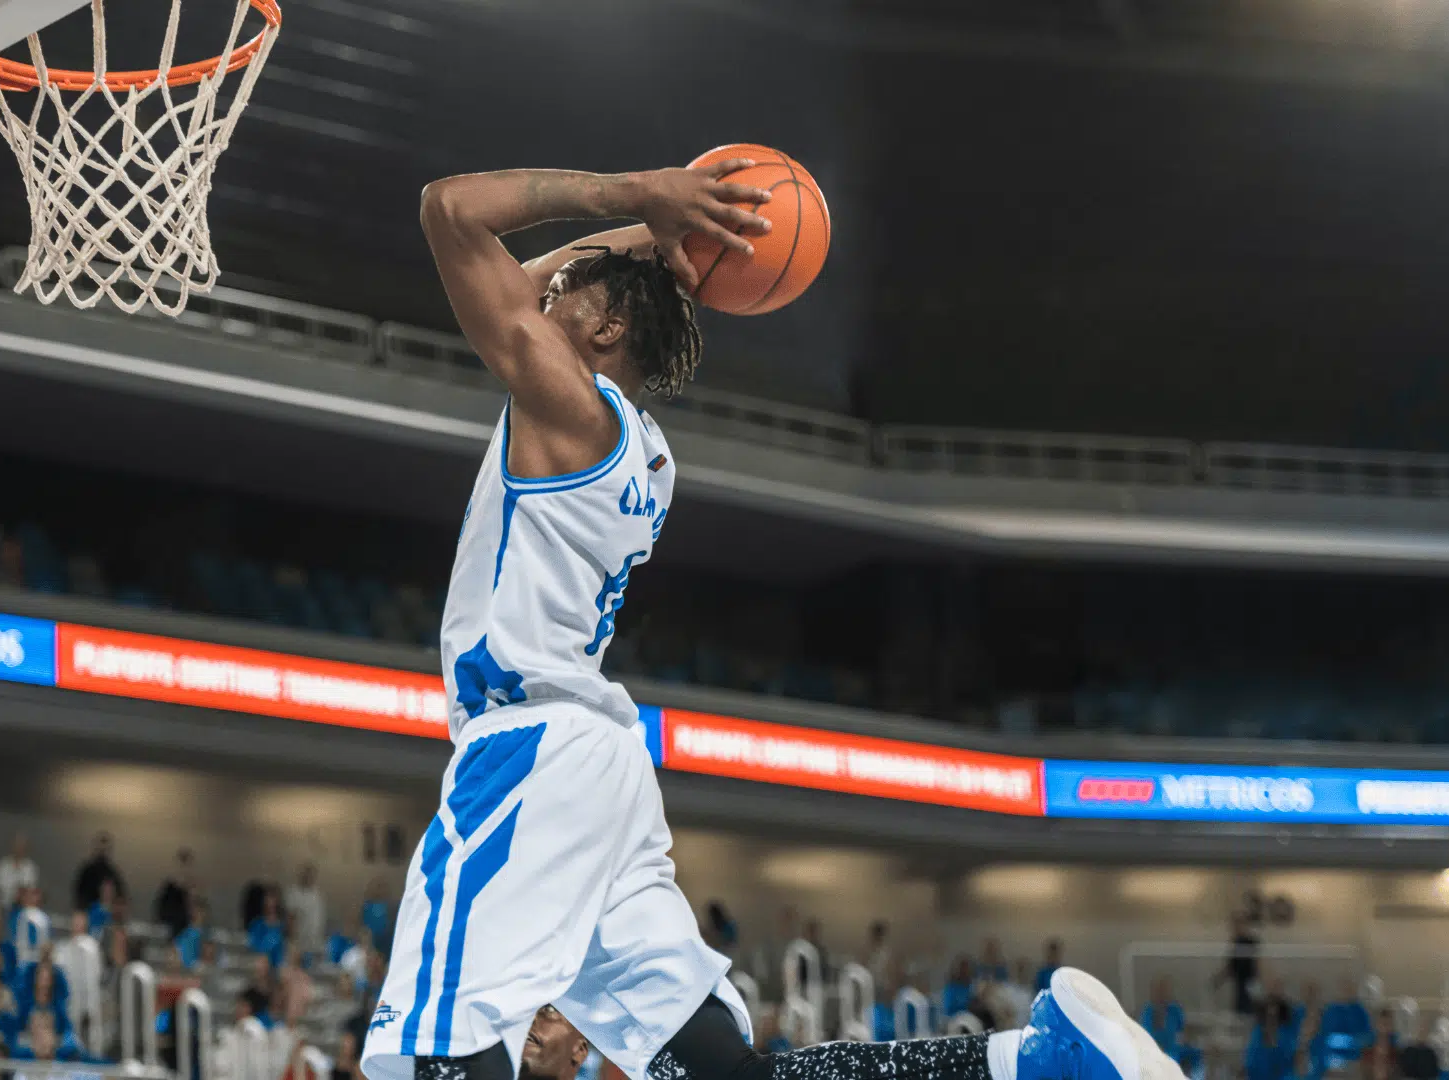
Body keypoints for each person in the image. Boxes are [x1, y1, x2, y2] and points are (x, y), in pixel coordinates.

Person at [358, 159, 1179, 1080]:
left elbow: (451, 212)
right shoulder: (638, 448)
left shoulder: (567, 407)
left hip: (529, 751)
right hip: (596, 767)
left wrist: (633, 194)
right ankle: (1031, 1063)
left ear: (607, 328)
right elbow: (529, 272)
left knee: (428, 1056)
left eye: (566, 294)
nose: (543, 291)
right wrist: (672, 230)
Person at [1245, 998, 1297, 1080]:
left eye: (1275, 1016)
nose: (1271, 1019)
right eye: (1269, 1015)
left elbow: (1290, 1066)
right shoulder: (1257, 1034)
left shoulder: (1286, 1037)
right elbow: (1250, 1063)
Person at [0, 835, 40, 915]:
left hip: (25, 910)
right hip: (4, 907)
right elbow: (0, 888)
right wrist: (16, 893)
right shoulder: (2, 866)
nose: (19, 849)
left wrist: (22, 894)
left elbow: (31, 889)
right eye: (17, 845)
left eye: (22, 846)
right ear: (12, 847)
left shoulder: (31, 868)